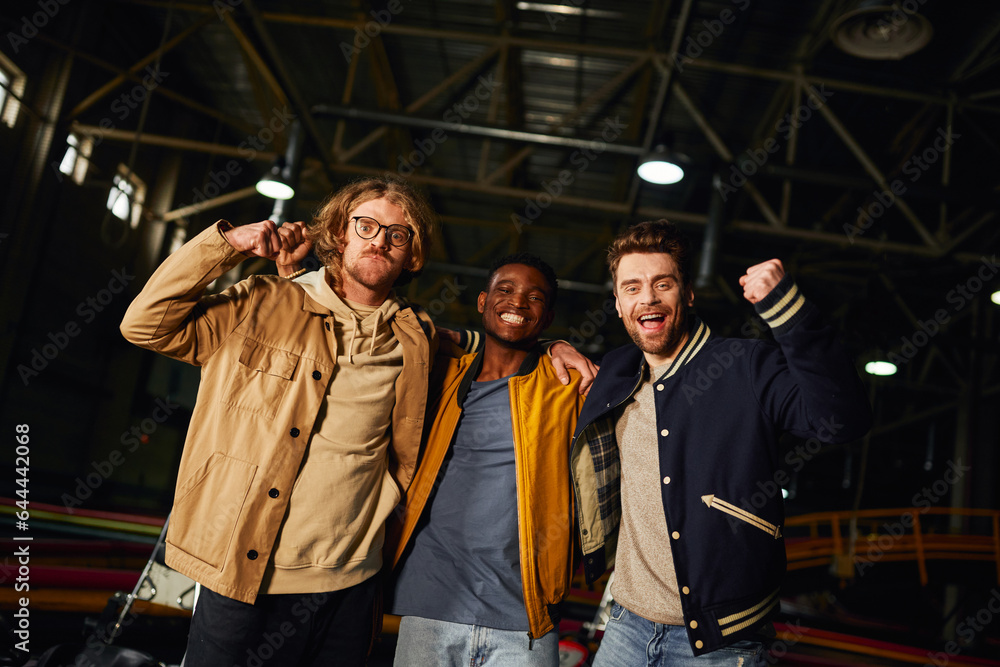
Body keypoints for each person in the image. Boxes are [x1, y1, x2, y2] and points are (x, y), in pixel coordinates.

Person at [120, 176, 593, 666]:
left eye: (398, 233)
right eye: (365, 225)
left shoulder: (417, 339)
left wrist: (553, 346)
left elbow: (498, 342)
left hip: (352, 585)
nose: (379, 240)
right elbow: (144, 324)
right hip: (245, 573)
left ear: (412, 254)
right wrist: (229, 243)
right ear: (339, 234)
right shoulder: (260, 304)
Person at [570, 220, 873, 665]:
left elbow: (842, 420)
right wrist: (555, 344)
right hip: (624, 630)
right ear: (617, 304)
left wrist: (789, 312)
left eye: (663, 283)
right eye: (631, 287)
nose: (648, 298)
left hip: (722, 643)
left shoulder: (748, 366)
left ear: (687, 293)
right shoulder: (616, 370)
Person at [386, 253, 584, 667]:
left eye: (534, 298)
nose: (517, 303)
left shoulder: (567, 386)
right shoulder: (440, 375)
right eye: (506, 290)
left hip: (525, 613)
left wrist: (557, 348)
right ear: (482, 301)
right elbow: (390, 329)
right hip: (430, 601)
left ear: (547, 317)